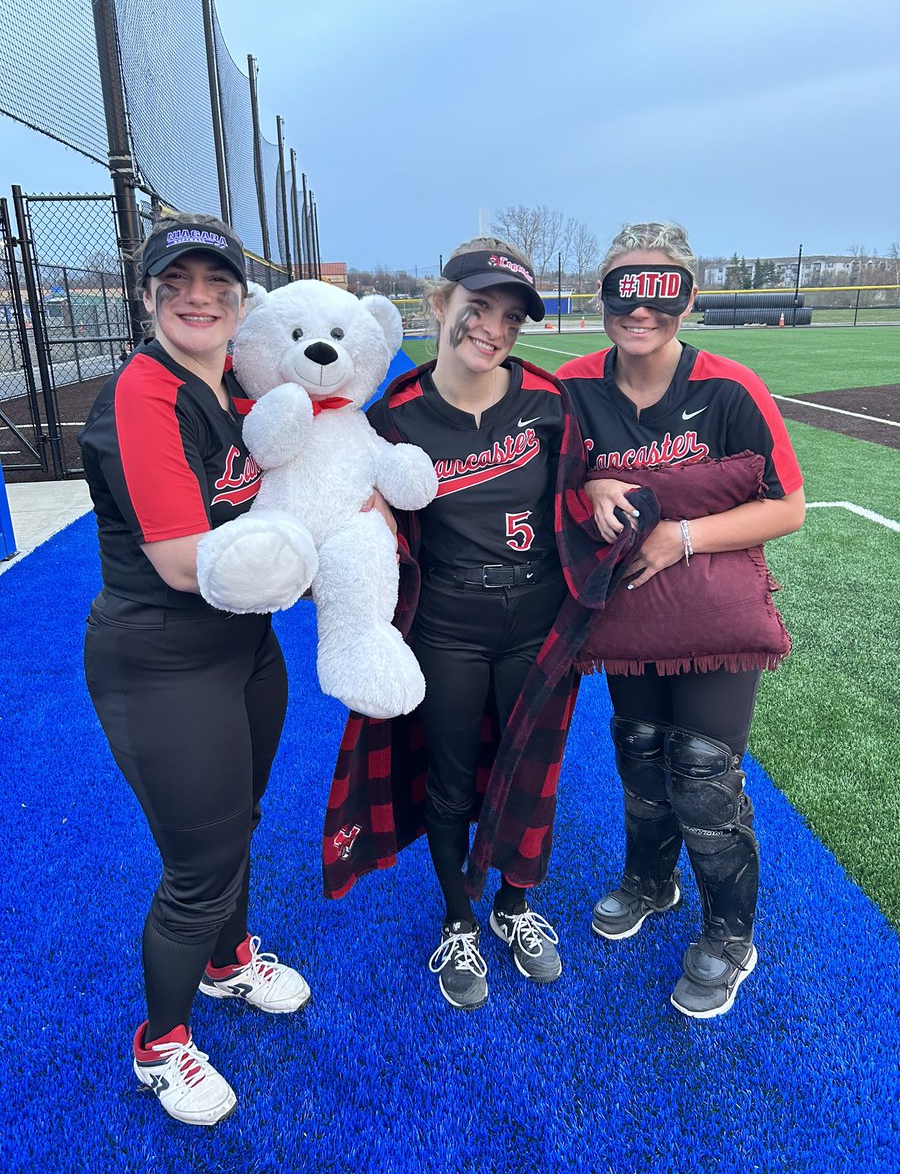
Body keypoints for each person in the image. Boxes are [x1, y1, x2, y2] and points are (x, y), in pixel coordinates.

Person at [322, 237, 652, 1011]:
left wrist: (602, 479)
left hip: (538, 621)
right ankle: (459, 919)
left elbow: (582, 470)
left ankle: (513, 907)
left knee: (529, 771)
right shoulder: (396, 413)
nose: (492, 329)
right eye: (478, 308)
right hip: (447, 622)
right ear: (441, 306)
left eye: (509, 317)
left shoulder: (547, 399)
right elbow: (355, 499)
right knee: (448, 777)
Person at [80, 213, 310, 1127]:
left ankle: (227, 964)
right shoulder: (144, 392)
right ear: (147, 298)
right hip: (163, 657)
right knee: (197, 868)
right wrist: (307, 561)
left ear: (241, 299)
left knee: (238, 822)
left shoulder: (229, 389)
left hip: (243, 645)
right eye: (176, 284)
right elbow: (183, 562)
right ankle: (161, 1044)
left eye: (217, 283)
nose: (199, 298)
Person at [556, 221, 805, 1018]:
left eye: (661, 293)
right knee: (640, 757)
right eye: (625, 290)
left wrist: (684, 535)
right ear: (604, 299)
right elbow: (544, 482)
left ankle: (730, 935)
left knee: (703, 772)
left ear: (688, 300)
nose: (641, 310)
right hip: (629, 618)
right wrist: (590, 485)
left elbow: (789, 508)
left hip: (711, 615)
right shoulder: (572, 387)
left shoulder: (730, 388)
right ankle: (649, 882)